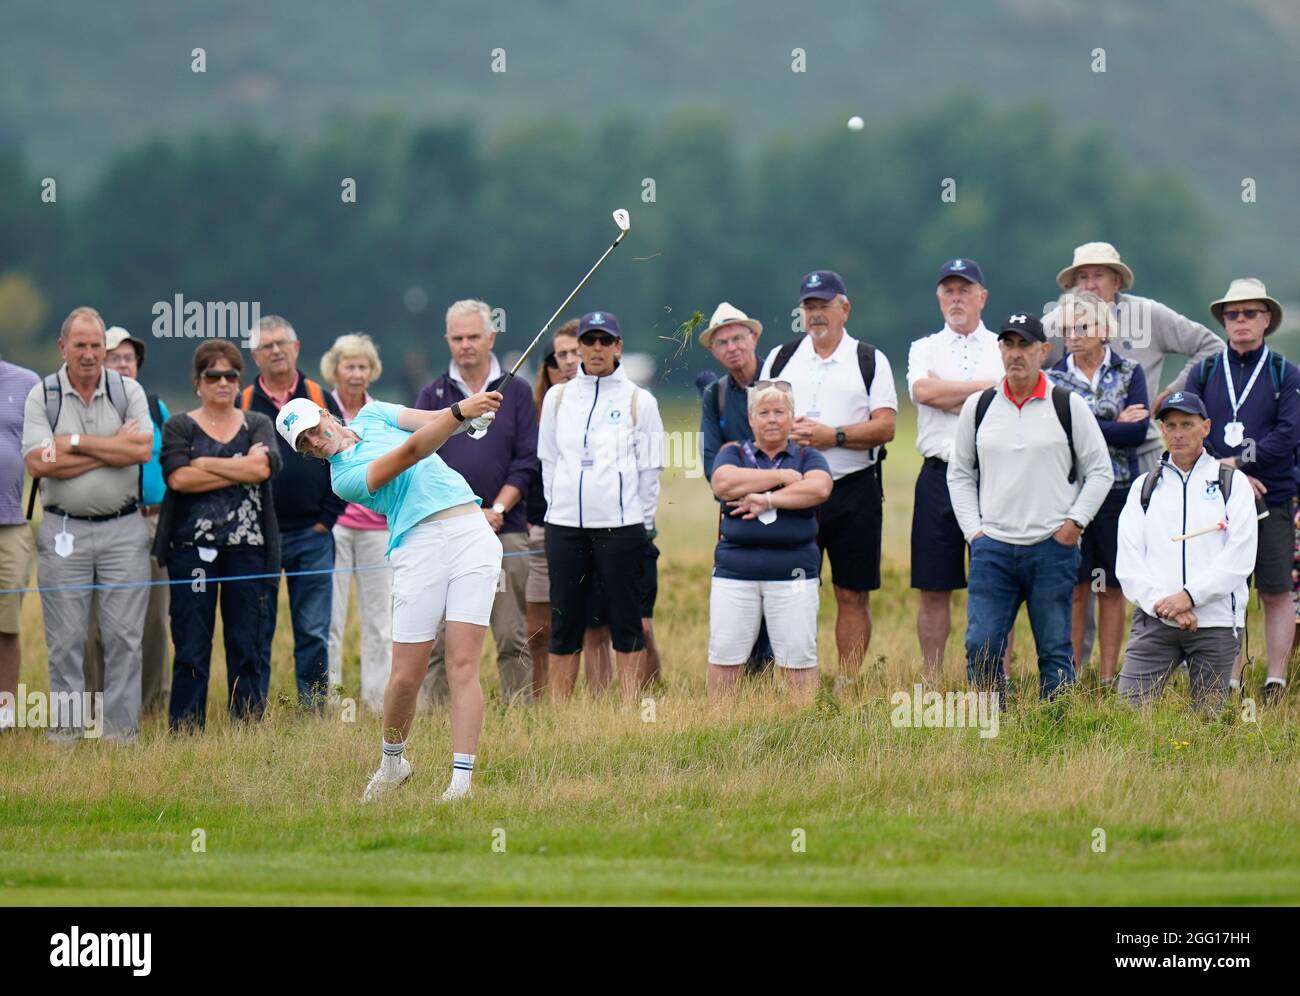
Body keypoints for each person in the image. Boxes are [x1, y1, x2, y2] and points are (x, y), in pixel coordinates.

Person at [281, 386, 505, 801]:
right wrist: (461, 412)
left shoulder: (374, 413)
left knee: (462, 663)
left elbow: (432, 421)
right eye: (304, 443)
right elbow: (412, 453)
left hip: (472, 530)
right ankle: (392, 761)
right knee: (405, 676)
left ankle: (461, 783)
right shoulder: (342, 480)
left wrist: (470, 419)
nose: (314, 441)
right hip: (416, 544)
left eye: (313, 429)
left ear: (325, 414)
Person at [1045, 242, 1221, 665]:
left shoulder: (1150, 315)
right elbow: (1044, 379)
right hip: (1071, 473)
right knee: (1076, 577)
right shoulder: (1058, 320)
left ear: (1117, 279)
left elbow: (1211, 346)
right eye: (1081, 277)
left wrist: (1166, 400)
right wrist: (1102, 422)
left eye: (1099, 275)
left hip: (1138, 462)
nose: (1090, 283)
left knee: (1134, 565)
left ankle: (1145, 661)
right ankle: (1074, 668)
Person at [947, 312, 1113, 699]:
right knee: (981, 645)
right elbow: (959, 474)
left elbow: (1100, 471)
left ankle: (1055, 729)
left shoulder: (1067, 405)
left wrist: (1073, 525)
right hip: (993, 548)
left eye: (1024, 345)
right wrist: (975, 532)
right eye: (1008, 344)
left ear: (1044, 350)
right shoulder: (979, 406)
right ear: (1000, 350)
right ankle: (991, 721)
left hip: (1051, 548)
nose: (1015, 354)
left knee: (1055, 649)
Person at [21, 307, 153, 741]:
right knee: (64, 641)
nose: (90, 354)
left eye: (97, 345)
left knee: (124, 639)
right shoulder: (44, 395)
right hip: (64, 530)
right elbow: (40, 461)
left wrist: (74, 444)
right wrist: (111, 446)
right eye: (81, 345)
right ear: (63, 347)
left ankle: (120, 736)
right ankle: (65, 734)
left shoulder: (127, 390)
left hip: (124, 531)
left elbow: (139, 451)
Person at [759, 270, 897, 679]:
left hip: (854, 489)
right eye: (809, 307)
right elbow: (762, 418)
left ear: (845, 308)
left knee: (851, 591)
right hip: (794, 488)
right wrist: (787, 431)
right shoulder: (782, 358)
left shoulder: (869, 360)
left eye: (824, 306)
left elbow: (885, 426)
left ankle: (847, 682)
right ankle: (795, 677)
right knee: (791, 590)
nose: (816, 315)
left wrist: (831, 436)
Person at [414, 299, 538, 704]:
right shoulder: (432, 393)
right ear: (448, 340)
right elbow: (420, 459)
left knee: (510, 633)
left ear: (491, 338)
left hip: (506, 529)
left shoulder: (516, 390)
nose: (466, 345)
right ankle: (433, 719)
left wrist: (497, 510)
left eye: (473, 337)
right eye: (458, 338)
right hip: (446, 531)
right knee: (440, 638)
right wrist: (466, 513)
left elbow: (525, 460)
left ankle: (521, 717)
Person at [538, 310, 664, 702]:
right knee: (565, 620)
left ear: (617, 347)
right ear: (578, 348)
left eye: (604, 341)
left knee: (625, 620)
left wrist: (640, 523)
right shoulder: (558, 398)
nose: (595, 349)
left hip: (620, 527)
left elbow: (650, 469)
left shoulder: (638, 401)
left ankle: (629, 706)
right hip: (564, 527)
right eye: (589, 341)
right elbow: (549, 460)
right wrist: (557, 507)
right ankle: (561, 713)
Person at [157, 342, 281, 731]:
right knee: (192, 644)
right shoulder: (179, 425)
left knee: (247, 645)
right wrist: (239, 464)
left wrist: (207, 463)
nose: (223, 382)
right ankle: (186, 729)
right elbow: (178, 478)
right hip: (192, 550)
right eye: (213, 375)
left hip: (249, 549)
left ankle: (246, 727)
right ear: (198, 382)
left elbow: (263, 470)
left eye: (231, 375)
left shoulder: (256, 423)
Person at [1191, 279, 1300, 704]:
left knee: (1276, 590)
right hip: (1218, 498)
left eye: (1250, 313)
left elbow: (1289, 433)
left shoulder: (1284, 372)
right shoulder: (1205, 370)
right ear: (1223, 321)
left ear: (1266, 319)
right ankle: (1229, 676)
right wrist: (1229, 474)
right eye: (1233, 314)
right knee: (1225, 588)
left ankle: (1275, 679)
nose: (1240, 321)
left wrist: (1242, 464)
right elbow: (1190, 427)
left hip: (1272, 496)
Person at [1114, 392, 1255, 714]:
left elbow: (1240, 557)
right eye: (1170, 425)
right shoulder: (1144, 487)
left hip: (1216, 621)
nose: (1178, 433)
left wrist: (1190, 597)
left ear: (1205, 428)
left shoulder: (1232, 483)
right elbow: (1129, 559)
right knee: (1127, 716)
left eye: (1187, 425)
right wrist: (1165, 604)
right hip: (1155, 619)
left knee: (1207, 721)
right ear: (1162, 430)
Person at [906, 258, 1004, 683]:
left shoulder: (1004, 345)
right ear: (939, 297)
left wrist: (951, 394)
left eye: (965, 290)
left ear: (982, 296)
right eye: (948, 290)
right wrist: (981, 391)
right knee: (933, 585)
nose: (956, 298)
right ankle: (932, 678)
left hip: (993, 475)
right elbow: (923, 392)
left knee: (999, 582)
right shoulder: (923, 347)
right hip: (938, 475)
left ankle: (993, 674)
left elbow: (1006, 395)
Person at [241, 315, 345, 709]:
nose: (276, 351)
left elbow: (345, 452)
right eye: (267, 346)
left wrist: (328, 518)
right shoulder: (245, 401)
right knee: (257, 627)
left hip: (312, 533)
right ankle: (253, 711)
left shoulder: (320, 395)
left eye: (282, 343)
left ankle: (314, 708)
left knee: (313, 630)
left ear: (296, 348)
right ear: (256, 356)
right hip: (261, 536)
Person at [1049, 290, 1150, 687]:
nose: (1073, 334)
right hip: (1071, 493)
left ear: (1104, 329)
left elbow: (1138, 432)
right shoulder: (1055, 376)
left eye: (1083, 326)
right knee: (1075, 586)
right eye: (1067, 328)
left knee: (1111, 585)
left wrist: (1087, 423)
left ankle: (1109, 677)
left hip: (1119, 491)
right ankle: (1071, 675)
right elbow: (1061, 435)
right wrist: (1111, 423)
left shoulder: (1129, 372)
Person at [707, 381, 832, 701]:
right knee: (725, 654)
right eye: (764, 412)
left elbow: (818, 489)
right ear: (751, 419)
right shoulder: (732, 452)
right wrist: (781, 478)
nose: (772, 419)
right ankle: (718, 726)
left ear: (792, 418)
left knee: (798, 656)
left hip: (794, 573)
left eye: (780, 411)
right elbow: (723, 483)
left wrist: (767, 501)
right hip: (735, 572)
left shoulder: (808, 455)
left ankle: (801, 725)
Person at [83, 326, 171, 715]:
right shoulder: (87, 408)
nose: (123, 365)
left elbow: (171, 463)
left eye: (129, 358)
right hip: (106, 522)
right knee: (98, 620)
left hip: (152, 522)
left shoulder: (155, 408)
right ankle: (97, 704)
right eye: (114, 357)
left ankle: (151, 703)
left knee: (153, 618)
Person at [698, 301, 774, 677]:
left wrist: (761, 489)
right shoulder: (714, 396)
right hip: (736, 513)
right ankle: (747, 681)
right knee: (738, 599)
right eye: (722, 342)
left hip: (785, 510)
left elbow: (795, 456)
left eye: (738, 338)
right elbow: (714, 468)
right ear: (713, 350)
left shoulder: (782, 384)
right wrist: (750, 492)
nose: (732, 347)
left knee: (782, 601)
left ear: (754, 337)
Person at [320, 332, 392, 712]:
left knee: (380, 620)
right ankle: (332, 701)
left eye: (363, 366)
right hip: (335, 526)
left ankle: (379, 700)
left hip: (376, 528)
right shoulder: (320, 413)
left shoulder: (378, 413)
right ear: (336, 369)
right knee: (331, 617)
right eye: (349, 365)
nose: (356, 373)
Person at [525, 322, 580, 695]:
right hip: (540, 523)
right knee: (537, 625)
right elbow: (530, 469)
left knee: (591, 624)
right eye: (558, 359)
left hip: (584, 524)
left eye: (573, 355)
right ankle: (539, 696)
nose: (566, 365)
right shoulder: (535, 411)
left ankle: (594, 700)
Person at [0, 349, 38, 732]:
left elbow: (46, 449)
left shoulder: (26, 383)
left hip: (10, 523)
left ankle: (4, 716)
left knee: (6, 624)